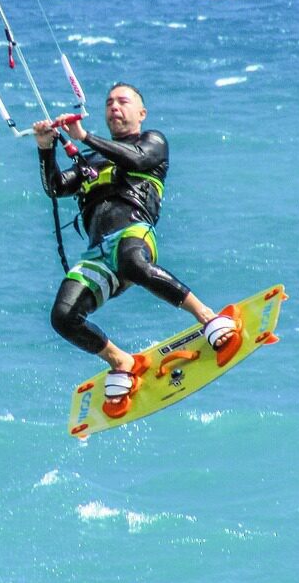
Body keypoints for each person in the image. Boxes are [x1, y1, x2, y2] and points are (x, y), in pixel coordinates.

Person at [34, 83, 238, 417]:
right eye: (109, 102)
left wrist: (84, 137)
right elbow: (55, 187)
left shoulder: (153, 142)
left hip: (133, 233)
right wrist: (45, 149)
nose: (114, 106)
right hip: (96, 254)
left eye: (123, 101)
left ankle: (207, 316)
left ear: (141, 113)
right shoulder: (91, 160)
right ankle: (121, 361)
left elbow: (137, 158)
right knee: (62, 317)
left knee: (131, 261)